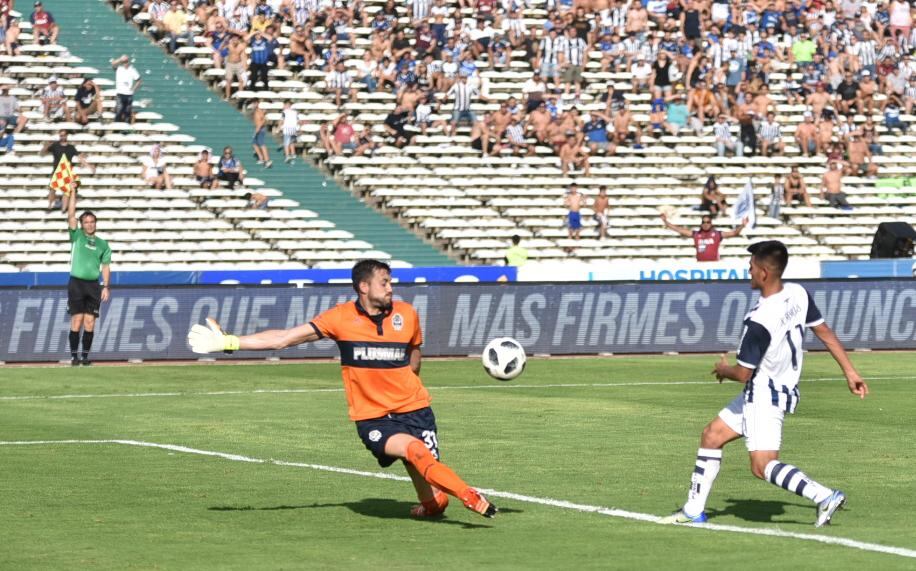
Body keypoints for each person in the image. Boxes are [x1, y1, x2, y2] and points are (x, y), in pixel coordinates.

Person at [187, 260, 498, 520]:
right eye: (385, 282)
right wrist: (229, 342)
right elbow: (283, 338)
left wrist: (403, 382)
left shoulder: (407, 314)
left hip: (416, 410)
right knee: (414, 450)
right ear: (364, 287)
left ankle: (435, 502)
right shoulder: (340, 318)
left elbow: (415, 357)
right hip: (374, 418)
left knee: (436, 503)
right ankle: (469, 495)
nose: (391, 288)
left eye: (391, 282)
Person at [661, 240, 868, 526]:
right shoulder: (798, 293)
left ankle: (824, 496)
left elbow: (744, 373)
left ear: (764, 273)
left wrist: (723, 369)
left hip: (762, 393)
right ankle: (693, 510)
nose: (749, 271)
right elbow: (824, 331)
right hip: (773, 388)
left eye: (752, 267)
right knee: (712, 435)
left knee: (762, 466)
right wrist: (850, 372)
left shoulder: (759, 320)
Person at [66, 187, 112, 366]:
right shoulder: (77, 236)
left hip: (93, 285)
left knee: (90, 322)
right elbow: (71, 215)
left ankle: (85, 357)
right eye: (86, 222)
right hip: (76, 283)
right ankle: (74, 357)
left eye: (92, 222)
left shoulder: (103, 244)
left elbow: (106, 266)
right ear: (82, 224)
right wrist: (72, 193)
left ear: (96, 224)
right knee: (76, 320)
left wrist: (106, 286)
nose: (90, 224)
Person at [660, 213, 747, 262]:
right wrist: (666, 222)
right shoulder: (696, 234)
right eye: (704, 222)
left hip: (714, 264)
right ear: (701, 223)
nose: (706, 224)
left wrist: (742, 225)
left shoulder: (717, 234)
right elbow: (679, 230)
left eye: (708, 222)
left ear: (711, 223)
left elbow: (734, 233)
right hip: (700, 264)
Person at [43, 130, 91, 211]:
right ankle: (50, 205)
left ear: (66, 136)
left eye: (64, 135)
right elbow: (43, 152)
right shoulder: (55, 146)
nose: (62, 137)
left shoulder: (71, 148)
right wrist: (46, 145)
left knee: (66, 191)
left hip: (66, 171)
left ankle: (63, 209)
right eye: (61, 135)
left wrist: (88, 166)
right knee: (52, 189)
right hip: (56, 171)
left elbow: (79, 157)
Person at [111, 55, 141, 124]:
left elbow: (138, 80)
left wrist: (133, 89)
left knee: (127, 112)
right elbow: (113, 64)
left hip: (129, 94)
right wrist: (120, 59)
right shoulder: (119, 68)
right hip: (120, 93)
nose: (125, 63)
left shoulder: (132, 69)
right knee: (119, 111)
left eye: (126, 62)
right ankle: (117, 128)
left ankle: (126, 129)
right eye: (124, 62)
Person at [251, 99, 272, 168]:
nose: (253, 105)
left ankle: (267, 160)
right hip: (259, 128)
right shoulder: (257, 111)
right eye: (253, 103)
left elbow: (263, 120)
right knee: (254, 143)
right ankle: (261, 158)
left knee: (262, 144)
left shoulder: (259, 111)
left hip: (260, 129)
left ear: (257, 103)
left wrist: (257, 129)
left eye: (254, 103)